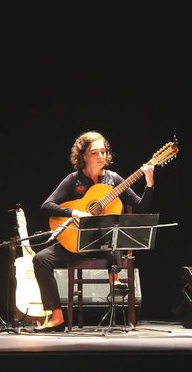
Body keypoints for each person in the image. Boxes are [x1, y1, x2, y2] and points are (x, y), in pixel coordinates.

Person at [31, 130, 155, 332]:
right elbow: (47, 206)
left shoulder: (114, 180)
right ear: (83, 156)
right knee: (40, 260)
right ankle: (57, 316)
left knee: (109, 231)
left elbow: (141, 207)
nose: (101, 157)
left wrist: (149, 184)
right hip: (76, 243)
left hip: (105, 246)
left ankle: (115, 279)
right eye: (94, 152)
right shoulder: (74, 180)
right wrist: (74, 212)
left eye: (103, 152)